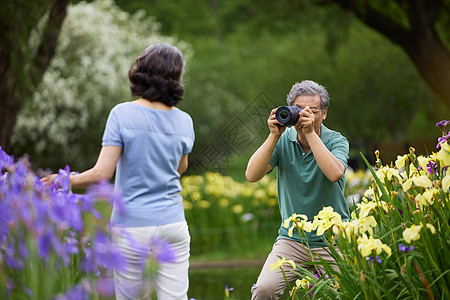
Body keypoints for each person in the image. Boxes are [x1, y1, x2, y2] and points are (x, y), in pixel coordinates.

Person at [43, 43, 195, 299]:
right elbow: (181, 167)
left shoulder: (122, 114)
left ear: (141, 72)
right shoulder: (185, 120)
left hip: (132, 227)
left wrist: (62, 180)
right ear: (175, 78)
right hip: (174, 225)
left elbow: (101, 174)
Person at [245, 80, 349, 299]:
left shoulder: (336, 141)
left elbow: (334, 173)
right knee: (264, 290)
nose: (306, 116)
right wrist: (274, 135)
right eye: (300, 110)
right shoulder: (282, 141)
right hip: (292, 240)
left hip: (333, 240)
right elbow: (252, 175)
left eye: (313, 111)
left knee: (346, 292)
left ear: (325, 113)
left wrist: (311, 134)